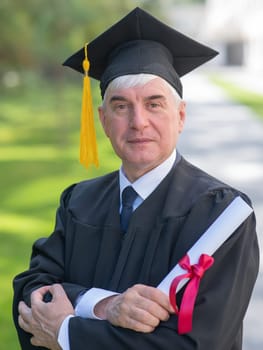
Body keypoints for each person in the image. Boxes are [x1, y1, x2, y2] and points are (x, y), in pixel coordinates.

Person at [13, 7, 259, 350]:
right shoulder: (78, 202)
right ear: (103, 119)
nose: (138, 121)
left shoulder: (221, 215)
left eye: (154, 104)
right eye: (121, 106)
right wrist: (103, 305)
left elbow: (198, 343)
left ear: (181, 116)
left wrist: (68, 333)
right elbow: (32, 293)